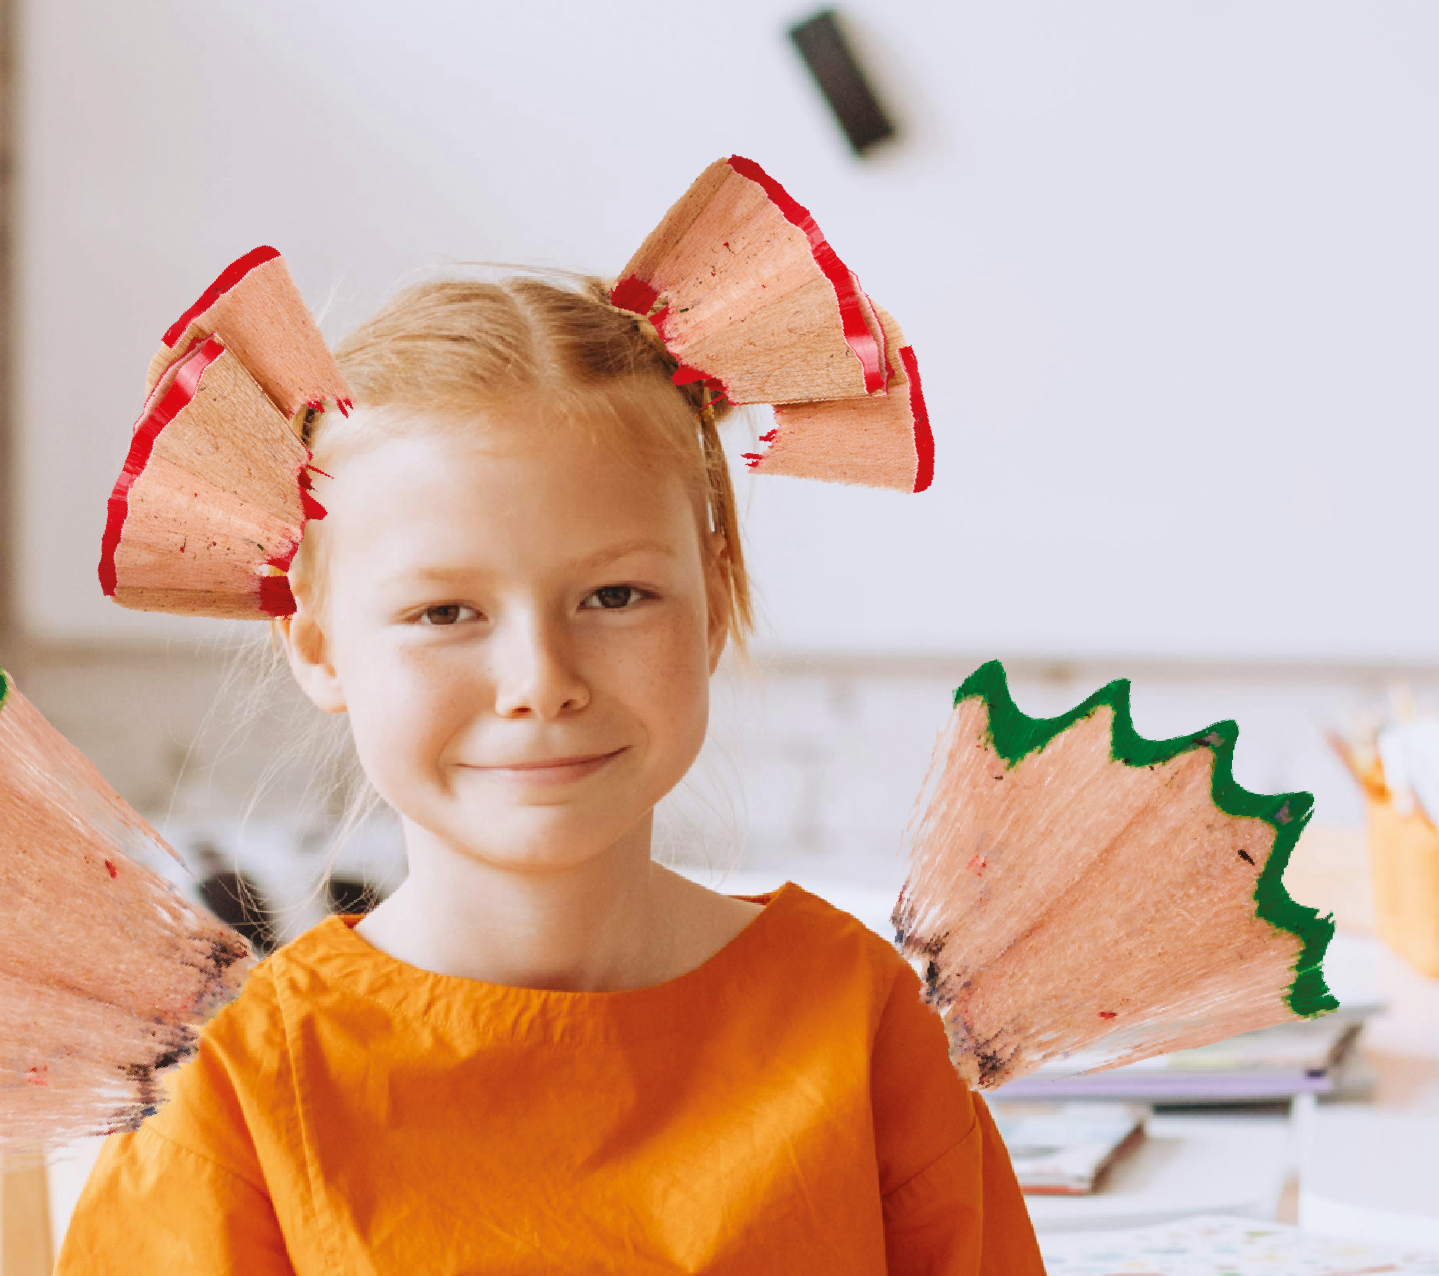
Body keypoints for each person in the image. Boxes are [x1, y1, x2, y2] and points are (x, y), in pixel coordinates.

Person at [58, 272, 1044, 1275]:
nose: (540, 681)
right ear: (317, 644)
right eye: (445, 611)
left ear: (715, 600)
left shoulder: (865, 1025)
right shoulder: (232, 1091)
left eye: (615, 594)